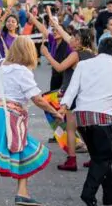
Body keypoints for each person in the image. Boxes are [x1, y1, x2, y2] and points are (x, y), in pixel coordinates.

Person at [0, 37, 62, 206]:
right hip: (10, 117)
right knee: (1, 155)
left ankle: (22, 192)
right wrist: (55, 112)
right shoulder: (22, 71)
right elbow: (37, 98)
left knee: (22, 149)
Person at [59, 37, 112, 206]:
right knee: (104, 158)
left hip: (81, 116)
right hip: (102, 117)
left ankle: (110, 195)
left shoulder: (84, 65)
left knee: (99, 156)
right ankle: (88, 192)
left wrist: (64, 105)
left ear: (99, 49)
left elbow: (73, 88)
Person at [40, 26, 95, 171]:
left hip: (72, 93)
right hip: (87, 93)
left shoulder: (76, 55)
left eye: (75, 38)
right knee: (86, 127)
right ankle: (94, 157)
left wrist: (46, 54)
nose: (71, 40)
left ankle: (71, 160)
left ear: (81, 41)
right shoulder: (92, 54)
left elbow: (59, 67)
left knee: (71, 128)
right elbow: (64, 35)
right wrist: (54, 22)